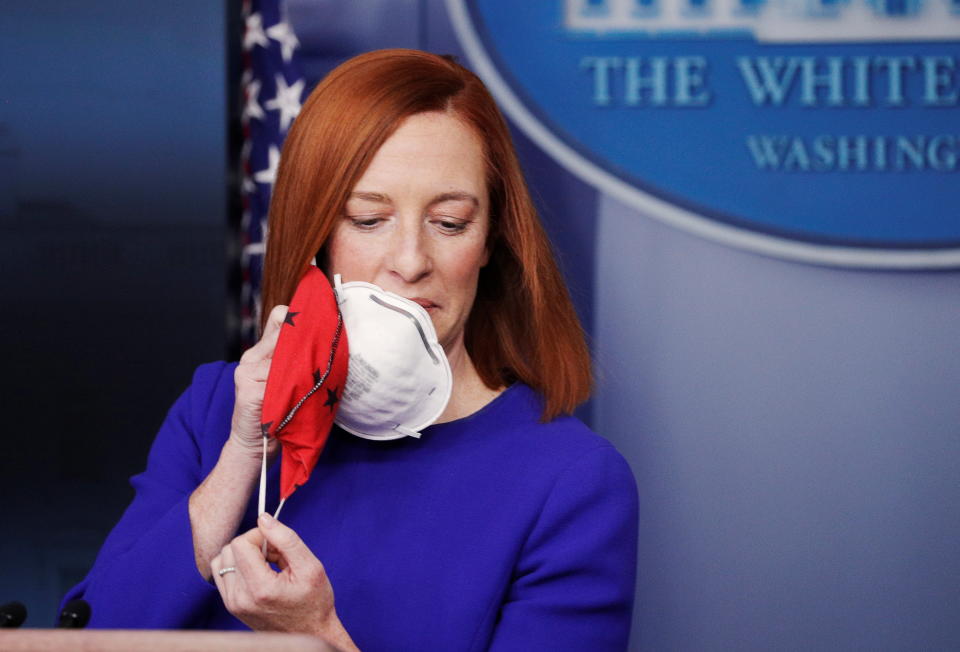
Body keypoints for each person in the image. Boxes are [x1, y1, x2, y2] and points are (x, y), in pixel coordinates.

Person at [63, 49, 638, 651]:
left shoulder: (572, 481)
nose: (411, 262)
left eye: (448, 223)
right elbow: (89, 636)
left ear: (490, 240)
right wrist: (240, 455)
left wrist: (317, 639)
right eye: (368, 219)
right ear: (318, 239)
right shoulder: (216, 410)